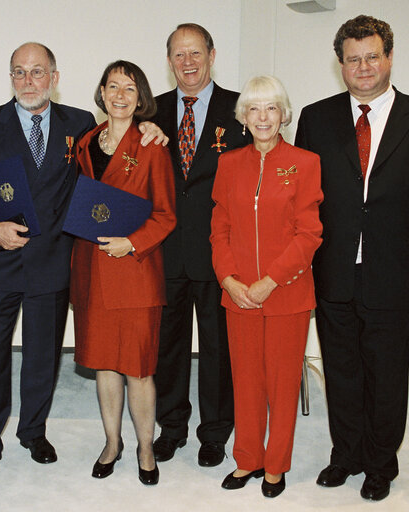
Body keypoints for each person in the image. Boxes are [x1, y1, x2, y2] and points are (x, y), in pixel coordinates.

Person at [0, 43, 167, 484]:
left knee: (42, 355)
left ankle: (34, 432)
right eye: (19, 72)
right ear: (10, 76)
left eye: (38, 72)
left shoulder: (80, 125)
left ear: (55, 76)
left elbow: (111, 166)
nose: (29, 81)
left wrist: (153, 128)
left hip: (53, 261)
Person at [295, 15, 409, 502]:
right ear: (340, 65)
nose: (363, 67)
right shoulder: (315, 118)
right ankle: (345, 454)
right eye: (352, 59)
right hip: (333, 271)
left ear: (388, 57)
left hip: (395, 272)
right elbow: (303, 199)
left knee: (386, 374)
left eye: (371, 56)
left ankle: (380, 463)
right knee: (341, 369)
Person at [210, 75, 323, 498]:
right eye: (254, 109)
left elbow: (308, 234)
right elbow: (219, 228)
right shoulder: (228, 164)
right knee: (246, 381)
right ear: (243, 116)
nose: (263, 117)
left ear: (284, 115)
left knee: (280, 383)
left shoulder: (306, 162)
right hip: (237, 293)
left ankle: (275, 466)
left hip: (286, 295)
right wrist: (228, 279)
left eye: (271, 108)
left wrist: (269, 281)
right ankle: (247, 460)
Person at [70, 61, 176, 486]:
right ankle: (112, 442)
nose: (119, 95)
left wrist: (131, 243)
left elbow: (166, 214)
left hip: (135, 271)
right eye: (112, 86)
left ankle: (146, 446)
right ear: (101, 91)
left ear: (140, 98)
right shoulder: (85, 142)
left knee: (138, 368)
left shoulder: (151, 145)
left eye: (129, 88)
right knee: (104, 366)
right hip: (91, 272)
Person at [152, 22, 249, 467]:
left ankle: (214, 432)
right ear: (169, 60)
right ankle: (171, 427)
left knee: (217, 348)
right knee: (166, 348)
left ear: (212, 54)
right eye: (178, 55)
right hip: (165, 251)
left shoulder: (242, 109)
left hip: (220, 253)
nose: (187, 62)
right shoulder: (149, 111)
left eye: (195, 53)